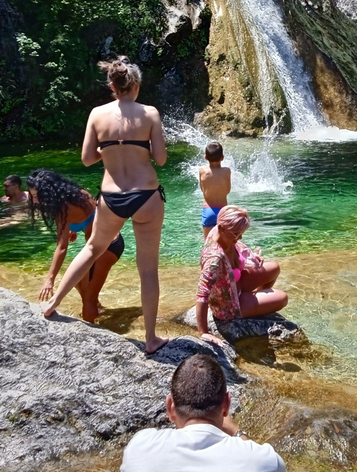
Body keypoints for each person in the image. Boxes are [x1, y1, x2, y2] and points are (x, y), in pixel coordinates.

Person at [39, 56, 169, 354]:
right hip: (145, 195)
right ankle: (150, 339)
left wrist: (110, 148)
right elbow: (160, 159)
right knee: (148, 270)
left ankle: (53, 303)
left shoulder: (97, 114)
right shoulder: (149, 114)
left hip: (111, 196)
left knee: (91, 250)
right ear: (135, 84)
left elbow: (86, 159)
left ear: (112, 86)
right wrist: (141, 145)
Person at [120, 354, 286, 472]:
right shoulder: (265, 461)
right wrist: (237, 432)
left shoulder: (140, 448)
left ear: (170, 407)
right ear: (226, 405)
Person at [27, 169, 123, 323]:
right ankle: (97, 309)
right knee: (78, 282)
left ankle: (94, 335)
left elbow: (62, 247)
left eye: (37, 196)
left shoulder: (62, 209)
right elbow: (95, 213)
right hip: (111, 241)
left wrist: (50, 280)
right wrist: (74, 227)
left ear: (49, 192)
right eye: (32, 196)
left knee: (88, 300)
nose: (35, 201)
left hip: (107, 248)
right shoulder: (78, 194)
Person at [196, 206, 288, 346]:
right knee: (282, 298)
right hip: (229, 305)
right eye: (236, 234)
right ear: (221, 228)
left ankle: (255, 301)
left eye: (241, 233)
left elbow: (238, 248)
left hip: (235, 285)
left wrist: (252, 256)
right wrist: (204, 332)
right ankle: (251, 304)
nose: (240, 237)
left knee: (274, 267)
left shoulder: (219, 231)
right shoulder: (214, 259)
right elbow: (202, 294)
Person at [199, 141, 231, 239]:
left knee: (208, 244)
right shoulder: (227, 171)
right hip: (223, 210)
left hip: (208, 210)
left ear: (205, 157)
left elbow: (202, 189)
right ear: (222, 157)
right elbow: (228, 190)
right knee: (224, 243)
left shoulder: (202, 170)